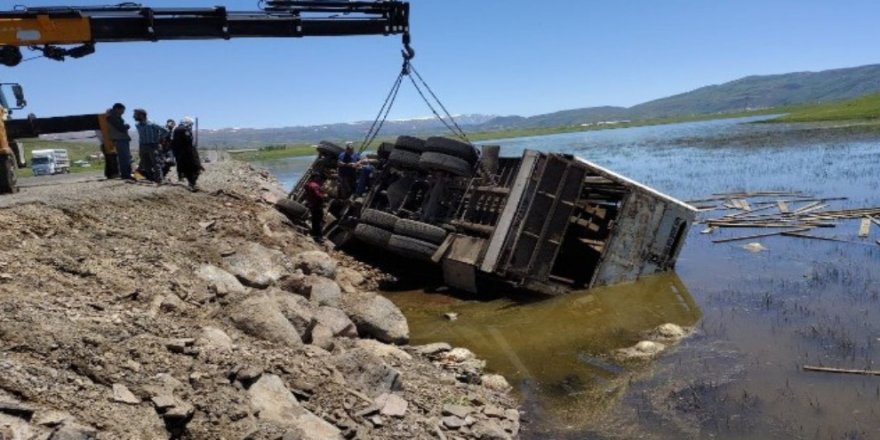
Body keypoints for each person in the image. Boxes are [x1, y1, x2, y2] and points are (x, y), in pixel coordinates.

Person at [133, 108, 169, 183]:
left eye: (136, 115)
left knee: (156, 163)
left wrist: (159, 138)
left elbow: (166, 131)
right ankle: (150, 178)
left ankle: (159, 180)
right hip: (142, 145)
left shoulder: (152, 123)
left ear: (142, 115)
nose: (134, 116)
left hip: (153, 145)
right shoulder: (138, 125)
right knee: (145, 163)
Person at [171, 116, 203, 190]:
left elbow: (173, 143)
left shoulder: (175, 130)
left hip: (179, 153)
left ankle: (189, 182)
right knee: (194, 168)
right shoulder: (184, 130)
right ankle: (192, 184)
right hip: (187, 153)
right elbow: (188, 142)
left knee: (186, 168)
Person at [105, 103, 132, 179]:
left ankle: (126, 173)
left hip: (119, 138)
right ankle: (126, 174)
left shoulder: (111, 116)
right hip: (120, 139)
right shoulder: (113, 117)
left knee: (124, 157)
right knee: (124, 158)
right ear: (117, 109)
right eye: (122, 110)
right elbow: (120, 128)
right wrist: (126, 126)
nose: (123, 112)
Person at [303, 173, 326, 243]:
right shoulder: (315, 185)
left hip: (312, 204)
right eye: (317, 177)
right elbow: (318, 196)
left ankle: (314, 233)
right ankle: (319, 236)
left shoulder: (308, 184)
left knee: (314, 219)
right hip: (317, 205)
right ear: (315, 177)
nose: (319, 178)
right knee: (318, 220)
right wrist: (324, 196)